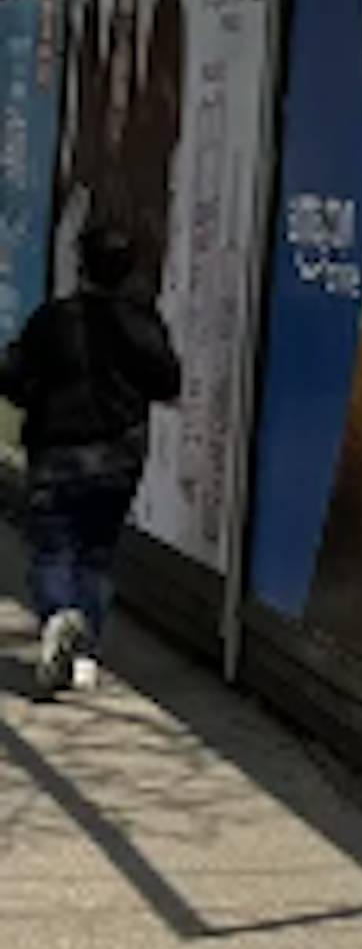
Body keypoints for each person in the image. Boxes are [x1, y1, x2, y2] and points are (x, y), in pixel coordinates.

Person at [1, 223, 182, 697]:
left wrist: (32, 396)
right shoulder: (143, 325)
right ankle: (83, 654)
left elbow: (12, 376)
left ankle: (58, 615)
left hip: (57, 452)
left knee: (52, 549)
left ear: (82, 266)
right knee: (97, 556)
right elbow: (167, 384)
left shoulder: (53, 321)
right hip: (119, 457)